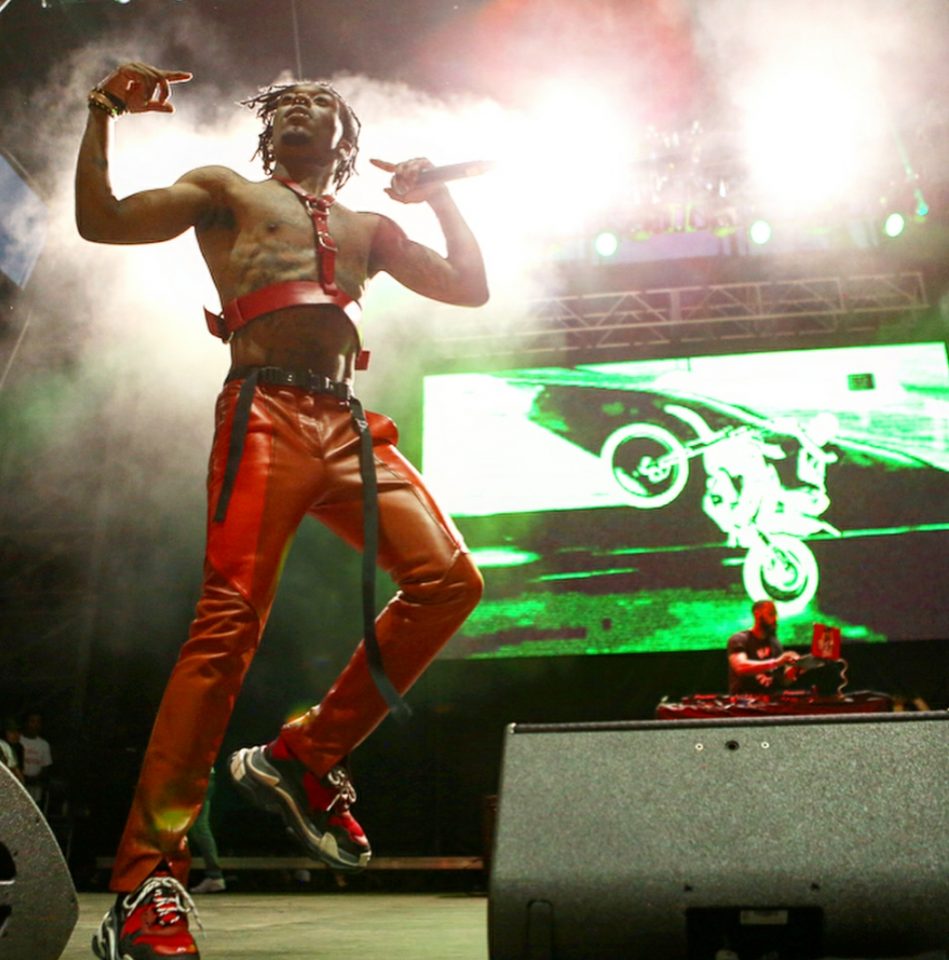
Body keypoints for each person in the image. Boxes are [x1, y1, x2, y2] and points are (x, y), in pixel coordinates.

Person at [76, 61, 487, 960]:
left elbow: (469, 287)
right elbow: (100, 220)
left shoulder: (369, 226)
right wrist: (104, 109)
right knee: (225, 626)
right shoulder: (225, 191)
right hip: (261, 411)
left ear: (346, 141)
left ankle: (302, 757)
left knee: (450, 582)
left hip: (346, 424)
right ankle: (148, 882)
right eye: (287, 101)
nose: (302, 103)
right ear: (270, 129)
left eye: (322, 102)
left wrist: (440, 197)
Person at [726, 599, 801, 695]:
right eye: (771, 614)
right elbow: (740, 667)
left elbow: (783, 681)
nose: (775, 619)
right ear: (757, 614)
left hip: (772, 704)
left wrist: (797, 669)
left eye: (776, 615)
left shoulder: (775, 643)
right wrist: (777, 662)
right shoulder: (739, 639)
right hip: (744, 703)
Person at [187, 766, 225, 894]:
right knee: (199, 827)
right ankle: (215, 876)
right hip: (202, 774)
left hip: (195, 775)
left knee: (198, 828)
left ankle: (215, 875)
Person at [19, 709, 53, 806]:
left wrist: (36, 779)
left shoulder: (44, 744)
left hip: (35, 789)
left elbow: (46, 766)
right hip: (19, 785)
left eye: (38, 722)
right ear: (26, 723)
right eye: (32, 721)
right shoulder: (18, 740)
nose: (35, 725)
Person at [1, 716, 25, 784]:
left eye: (18, 732)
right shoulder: (3, 746)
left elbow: (19, 772)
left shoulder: (19, 748)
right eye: (11, 731)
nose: (16, 735)